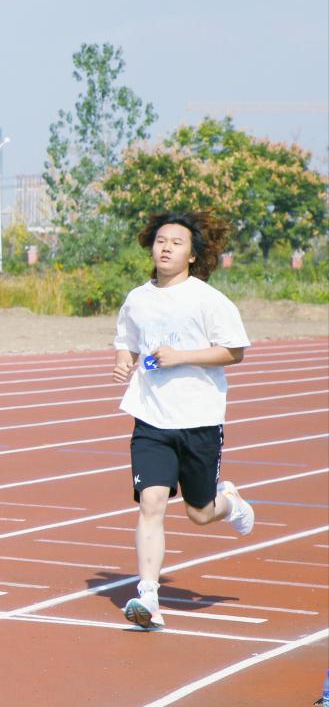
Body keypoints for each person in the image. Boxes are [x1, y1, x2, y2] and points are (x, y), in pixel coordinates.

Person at [112, 211, 255, 630]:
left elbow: (234, 351)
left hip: (199, 418)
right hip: (151, 418)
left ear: (192, 255)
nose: (166, 248)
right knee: (151, 503)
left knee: (199, 512)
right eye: (161, 241)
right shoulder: (138, 298)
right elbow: (126, 341)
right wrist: (123, 361)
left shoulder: (207, 300)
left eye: (176, 242)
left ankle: (229, 502)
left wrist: (181, 357)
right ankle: (148, 597)